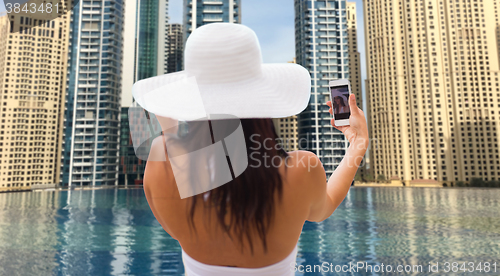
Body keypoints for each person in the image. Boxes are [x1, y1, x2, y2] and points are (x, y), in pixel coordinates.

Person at [133, 23, 369, 275]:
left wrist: (173, 124)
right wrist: (358, 143)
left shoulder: (163, 167)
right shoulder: (302, 170)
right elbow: (326, 205)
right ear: (261, 98)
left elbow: (175, 208)